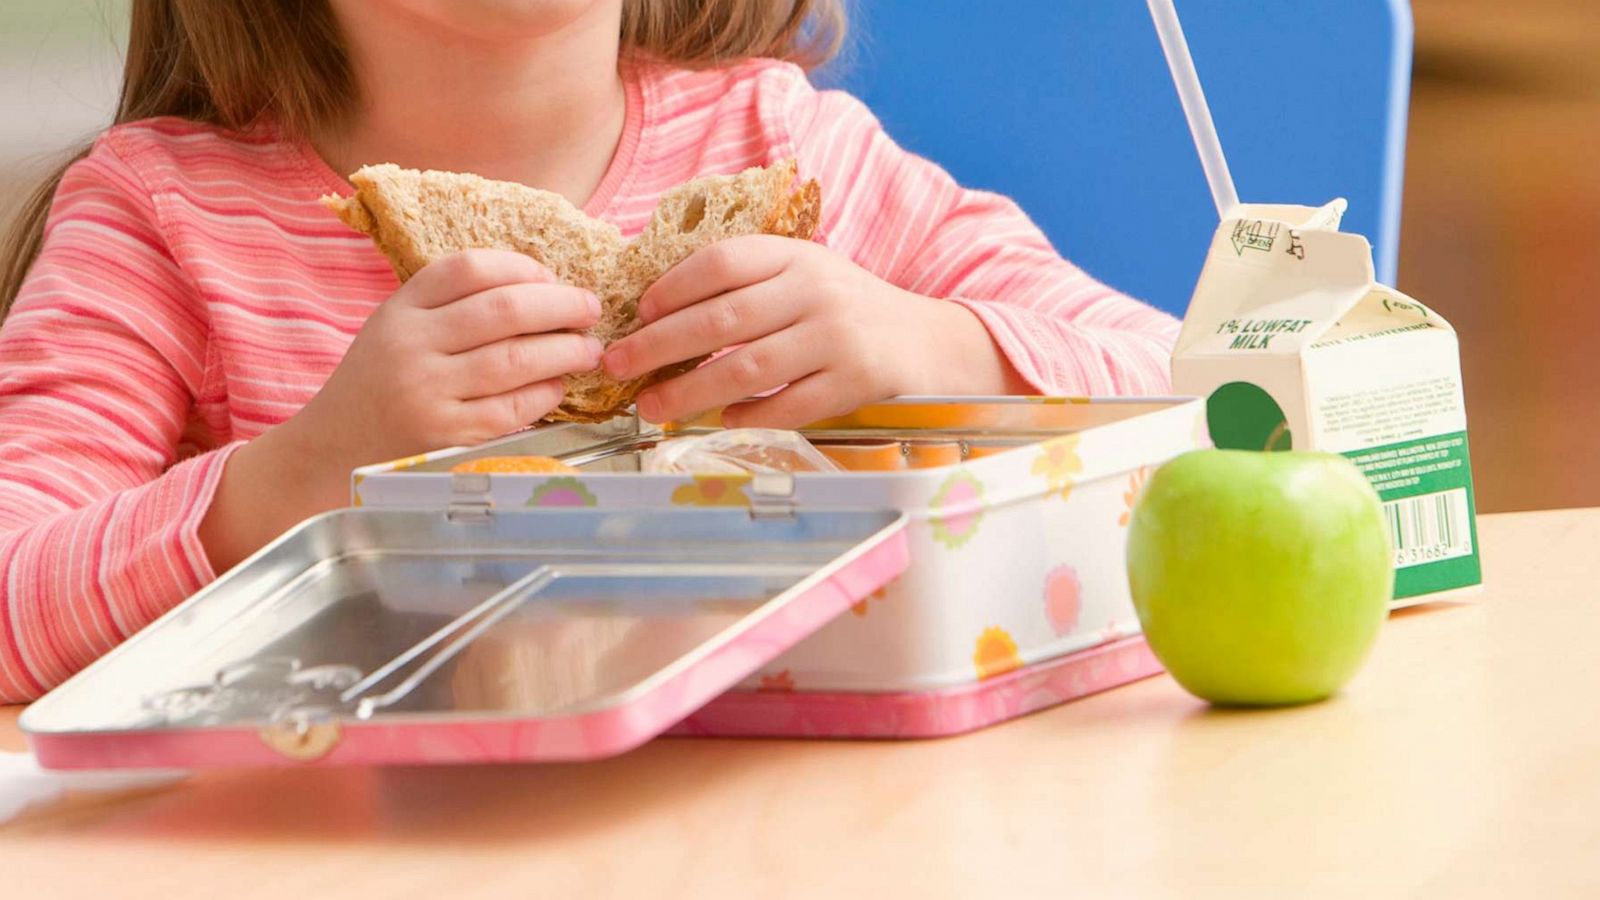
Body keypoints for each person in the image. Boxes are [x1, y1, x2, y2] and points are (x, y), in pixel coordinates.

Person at [0, 0, 1178, 702]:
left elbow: (1200, 383)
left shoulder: (786, 146)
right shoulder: (164, 219)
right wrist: (303, 476)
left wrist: (937, 344)